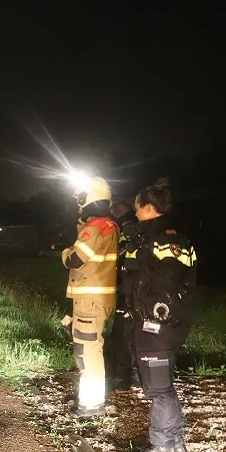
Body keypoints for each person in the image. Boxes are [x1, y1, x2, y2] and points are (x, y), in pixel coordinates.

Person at [123, 179, 197, 452]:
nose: (135, 212)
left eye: (137, 208)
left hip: (157, 326)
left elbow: (167, 283)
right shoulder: (149, 236)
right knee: (159, 386)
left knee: (159, 389)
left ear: (147, 207)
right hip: (151, 326)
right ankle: (172, 443)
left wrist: (154, 316)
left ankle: (166, 445)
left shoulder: (165, 238)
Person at [60, 176, 119, 417]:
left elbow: (75, 259)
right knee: (88, 349)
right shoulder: (108, 226)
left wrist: (64, 252)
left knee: (87, 352)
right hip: (95, 298)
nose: (79, 202)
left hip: (90, 300)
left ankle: (92, 405)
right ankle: (90, 400)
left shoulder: (95, 228)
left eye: (81, 197)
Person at [112, 201, 141, 390]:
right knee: (128, 333)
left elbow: (121, 254)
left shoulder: (130, 228)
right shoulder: (132, 226)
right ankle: (130, 375)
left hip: (130, 289)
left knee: (124, 334)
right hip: (132, 289)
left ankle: (126, 377)